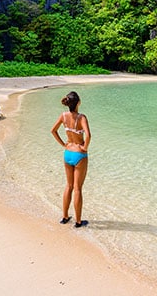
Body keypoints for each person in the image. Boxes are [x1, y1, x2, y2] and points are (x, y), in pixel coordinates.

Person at [51, 90, 90, 227]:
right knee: (78, 188)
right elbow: (88, 135)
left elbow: (53, 130)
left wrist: (63, 144)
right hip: (79, 154)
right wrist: (84, 147)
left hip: (67, 153)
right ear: (78, 103)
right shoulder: (82, 117)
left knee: (69, 186)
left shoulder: (63, 116)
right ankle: (78, 221)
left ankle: (65, 217)